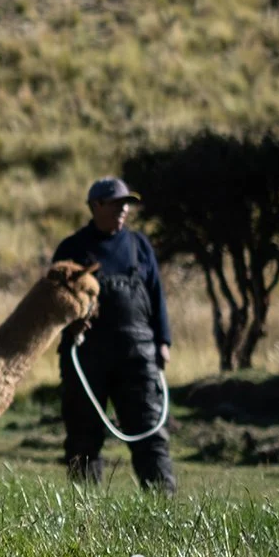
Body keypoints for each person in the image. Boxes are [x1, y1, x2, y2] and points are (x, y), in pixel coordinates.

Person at [53, 176, 177, 493]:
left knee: (150, 432)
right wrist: (71, 326)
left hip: (138, 354)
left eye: (127, 205)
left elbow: (156, 294)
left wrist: (163, 341)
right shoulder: (72, 249)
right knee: (83, 434)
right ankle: (83, 505)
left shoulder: (140, 247)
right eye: (117, 204)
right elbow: (54, 302)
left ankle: (163, 503)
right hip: (86, 355)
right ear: (96, 206)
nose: (123, 210)